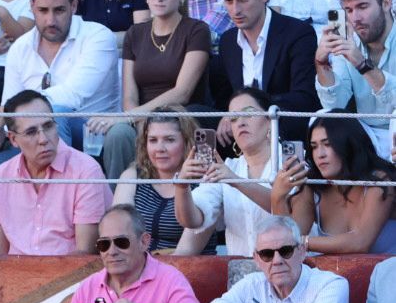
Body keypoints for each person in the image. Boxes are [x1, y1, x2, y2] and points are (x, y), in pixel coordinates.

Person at [94, 0, 211, 178]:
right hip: (141, 121)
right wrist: (141, 122)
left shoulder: (197, 30)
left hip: (181, 116)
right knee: (118, 133)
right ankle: (119, 206)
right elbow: (129, 97)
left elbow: (182, 92)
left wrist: (143, 119)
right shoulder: (135, 33)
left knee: (156, 131)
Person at [176, 86, 310, 255]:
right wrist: (181, 188)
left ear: (269, 120)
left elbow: (292, 218)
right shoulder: (229, 167)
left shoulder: (294, 160)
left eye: (248, 113)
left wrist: (237, 182)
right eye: (233, 118)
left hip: (288, 269)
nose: (241, 122)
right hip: (243, 276)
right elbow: (193, 220)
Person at [0, 0, 120, 150]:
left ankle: (57, 177)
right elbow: (9, 116)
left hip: (92, 138)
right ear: (31, 7)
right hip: (32, 139)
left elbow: (71, 97)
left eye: (59, 10)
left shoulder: (99, 37)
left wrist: (8, 111)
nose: (50, 20)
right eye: (43, 10)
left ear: (74, 6)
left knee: (57, 114)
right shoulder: (20, 48)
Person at [0, 89, 111, 254]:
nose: (43, 139)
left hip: (71, 276)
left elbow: (85, 254)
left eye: (48, 126)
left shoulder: (86, 171)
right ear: (13, 139)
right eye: (31, 132)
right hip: (15, 275)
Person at [190, 214, 352, 303]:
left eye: (285, 251)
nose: (277, 261)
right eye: (267, 254)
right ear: (257, 259)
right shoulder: (251, 285)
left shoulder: (332, 284)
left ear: (302, 251)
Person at [209, 0, 317, 141]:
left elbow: (304, 97)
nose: (235, 10)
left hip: (281, 126)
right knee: (195, 118)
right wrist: (229, 115)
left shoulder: (297, 33)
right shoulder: (228, 41)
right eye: (229, 0)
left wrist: (250, 111)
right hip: (240, 131)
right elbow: (225, 95)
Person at [61, 204, 202, 303]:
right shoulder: (88, 285)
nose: (112, 251)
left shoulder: (170, 279)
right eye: (104, 244)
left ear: (144, 242)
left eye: (121, 242)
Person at [272, 114, 396, 254]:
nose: (320, 154)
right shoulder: (313, 186)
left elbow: (360, 242)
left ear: (349, 144)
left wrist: (302, 242)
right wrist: (278, 197)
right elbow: (287, 242)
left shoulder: (380, 180)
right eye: (314, 147)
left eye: (328, 144)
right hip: (336, 275)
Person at [316, 0, 396, 156]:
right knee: (321, 118)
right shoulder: (350, 41)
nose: (355, 18)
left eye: (362, 7)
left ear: (386, 3)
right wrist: (321, 63)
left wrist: (362, 65)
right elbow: (335, 104)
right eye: (349, 10)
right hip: (365, 135)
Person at [111, 108, 205, 252]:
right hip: (138, 267)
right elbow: (118, 232)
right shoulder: (132, 176)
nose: (159, 148)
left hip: (185, 269)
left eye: (169, 140)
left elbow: (185, 253)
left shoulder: (204, 182)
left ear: (187, 143)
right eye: (153, 140)